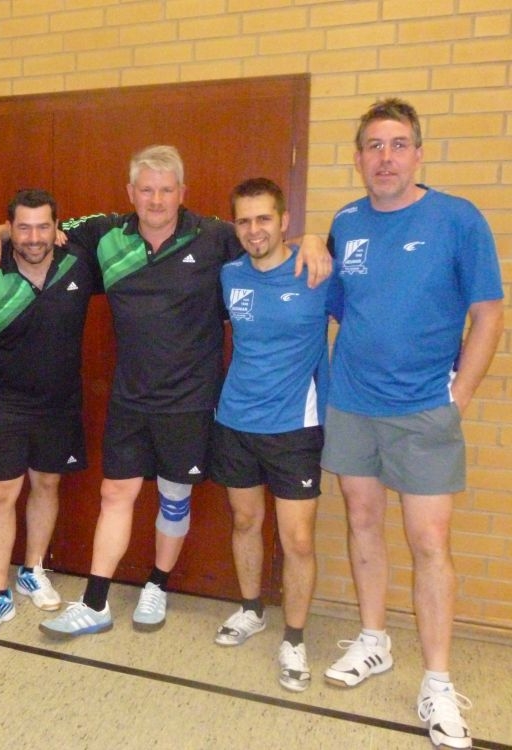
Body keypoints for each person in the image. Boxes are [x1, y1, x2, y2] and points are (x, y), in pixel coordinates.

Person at [0, 145, 330, 639]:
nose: (156, 200)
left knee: (174, 496)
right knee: (114, 493)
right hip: (130, 397)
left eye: (166, 190)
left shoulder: (214, 237)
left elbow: (266, 242)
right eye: (146, 190)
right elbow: (38, 228)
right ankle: (95, 602)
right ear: (131, 192)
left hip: (190, 400)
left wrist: (311, 238)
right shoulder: (106, 234)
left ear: (182, 192)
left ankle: (157, 584)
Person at [320, 98, 503, 749]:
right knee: (362, 520)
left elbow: (488, 314)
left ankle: (438, 682)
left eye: (398, 145)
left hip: (425, 409)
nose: (386, 157)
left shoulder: (458, 219)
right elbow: (338, 304)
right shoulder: (346, 222)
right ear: (359, 157)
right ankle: (374, 640)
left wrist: (460, 395)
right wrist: (311, 242)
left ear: (418, 154)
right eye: (374, 145)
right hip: (352, 403)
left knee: (429, 542)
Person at [210, 178, 331, 693]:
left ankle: (295, 638)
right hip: (235, 421)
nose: (254, 229)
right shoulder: (229, 275)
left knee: (297, 539)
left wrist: (315, 239)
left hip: (295, 428)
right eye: (244, 220)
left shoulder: (316, 271)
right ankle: (251, 609)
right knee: (244, 521)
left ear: (284, 220)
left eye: (264, 218)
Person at [0, 189, 101, 639]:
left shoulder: (79, 262)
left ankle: (33, 569)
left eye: (43, 226)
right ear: (10, 229)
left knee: (46, 485)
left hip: (59, 403)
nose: (34, 237)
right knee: (0, 496)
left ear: (57, 227)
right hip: (3, 403)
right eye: (23, 228)